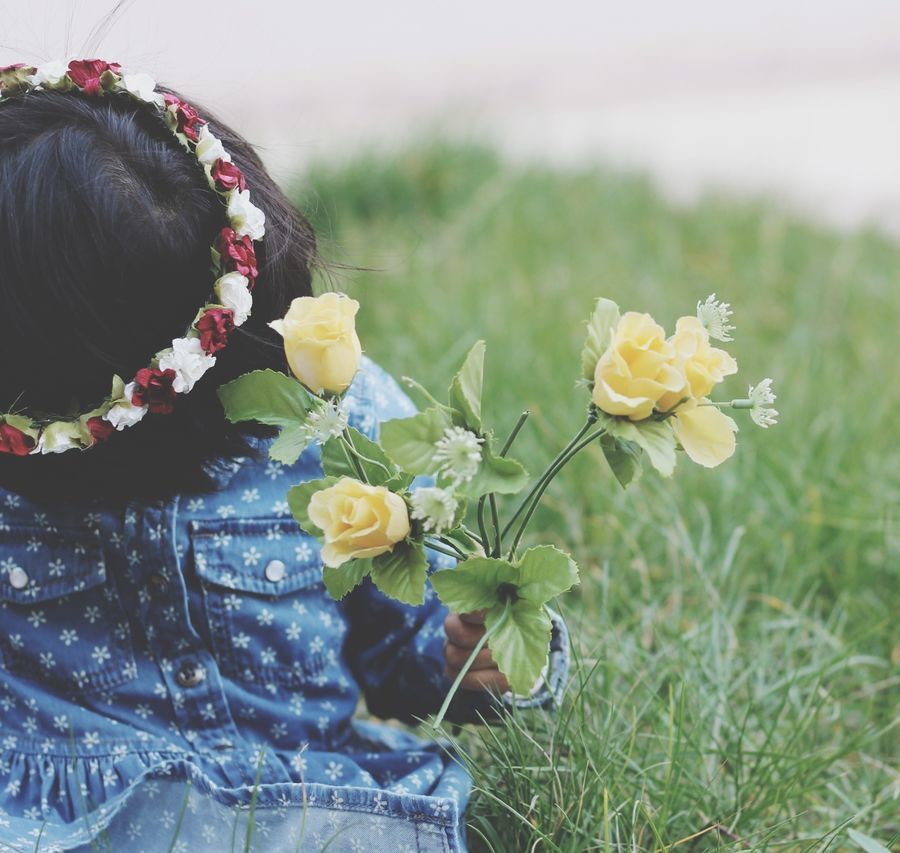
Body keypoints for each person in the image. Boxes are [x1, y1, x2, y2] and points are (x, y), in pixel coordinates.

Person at [0, 59, 567, 851]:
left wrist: (477, 653)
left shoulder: (333, 418)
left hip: (317, 812)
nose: (264, 385)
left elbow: (413, 646)